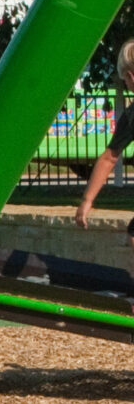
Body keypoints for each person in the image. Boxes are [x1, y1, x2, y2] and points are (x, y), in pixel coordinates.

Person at [72, 40, 134, 277]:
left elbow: (109, 158)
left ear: (131, 76)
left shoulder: (132, 115)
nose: (126, 86)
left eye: (125, 82)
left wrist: (87, 200)